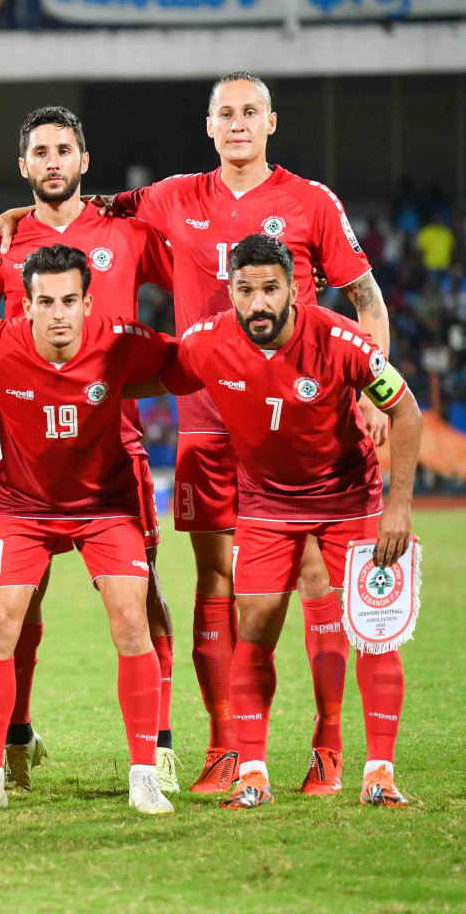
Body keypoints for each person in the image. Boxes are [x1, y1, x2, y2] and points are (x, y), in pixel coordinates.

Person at [0, 71, 394, 795]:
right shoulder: (172, 198)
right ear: (209, 127)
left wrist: (374, 393)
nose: (237, 123)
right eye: (224, 113)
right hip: (208, 417)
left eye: (249, 112)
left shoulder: (310, 201)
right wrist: (12, 217)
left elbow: (366, 298)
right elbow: (77, 207)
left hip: (303, 417)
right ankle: (224, 748)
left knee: (315, 575)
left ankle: (329, 745)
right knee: (217, 577)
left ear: (271, 122)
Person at [0, 106, 180, 793]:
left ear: (83, 160)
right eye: (40, 152)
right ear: (24, 166)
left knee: (141, 598)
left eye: (64, 150)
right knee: (18, 607)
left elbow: (193, 280)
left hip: (118, 447)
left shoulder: (125, 232)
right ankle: (14, 736)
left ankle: (159, 744)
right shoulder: (3, 243)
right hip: (29, 458)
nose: (52, 161)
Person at [152, 235, 422, 808]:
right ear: (230, 292)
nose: (257, 303)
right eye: (245, 290)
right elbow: (150, 376)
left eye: (270, 289)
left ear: (294, 289)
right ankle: (253, 772)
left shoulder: (340, 339)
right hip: (267, 506)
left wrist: (397, 507)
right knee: (256, 625)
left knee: (376, 629)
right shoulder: (205, 343)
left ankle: (379, 771)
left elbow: (406, 409)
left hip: (350, 500)